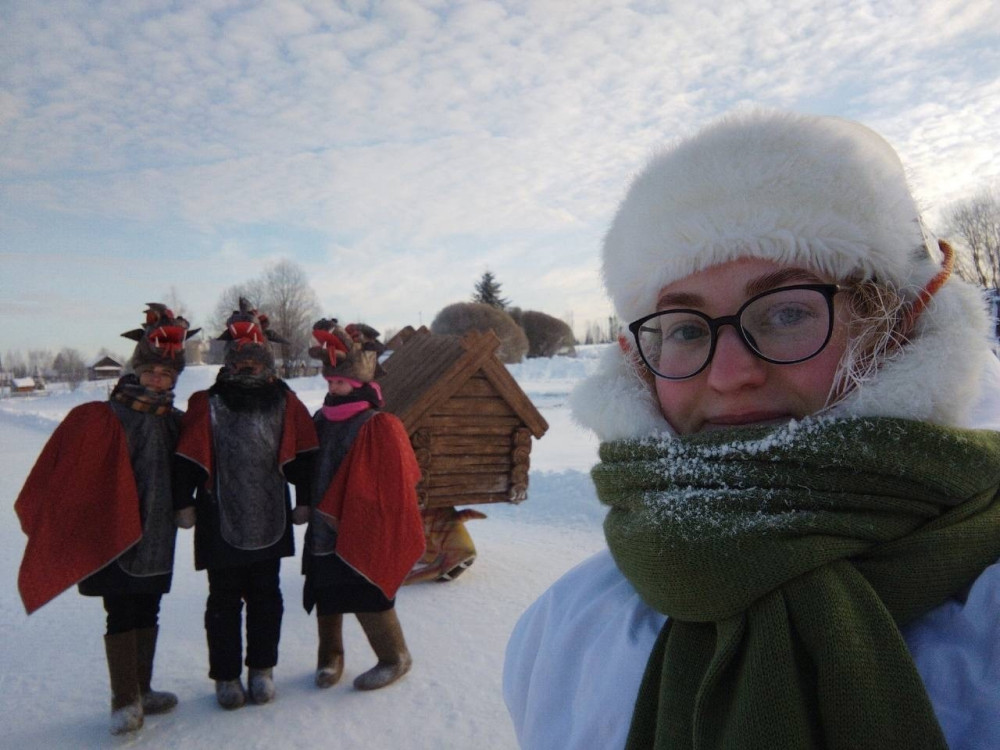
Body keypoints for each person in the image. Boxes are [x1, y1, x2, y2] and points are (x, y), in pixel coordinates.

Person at [503, 111, 1000, 750]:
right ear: (640, 363)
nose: (730, 375)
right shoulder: (563, 631)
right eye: (686, 329)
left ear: (897, 326)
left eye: (787, 312)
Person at [16, 303, 197, 735]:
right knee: (120, 611)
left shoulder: (175, 421)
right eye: (151, 372)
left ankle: (143, 689)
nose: (157, 379)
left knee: (149, 608)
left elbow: (192, 465)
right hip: (114, 529)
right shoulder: (107, 415)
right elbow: (74, 469)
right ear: (137, 371)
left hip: (158, 533)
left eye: (166, 374)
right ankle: (124, 700)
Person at [174, 298, 318, 710]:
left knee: (266, 596)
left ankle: (262, 669)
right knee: (222, 600)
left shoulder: (286, 401)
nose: (247, 367)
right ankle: (225, 676)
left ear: (265, 362)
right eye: (241, 362)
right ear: (230, 363)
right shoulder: (206, 402)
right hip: (219, 514)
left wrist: (306, 498)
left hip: (271, 512)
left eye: (255, 362)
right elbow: (186, 457)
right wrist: (183, 500)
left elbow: (306, 452)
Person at [298, 318, 425, 691]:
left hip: (362, 523)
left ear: (358, 385)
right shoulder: (321, 418)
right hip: (323, 521)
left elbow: (396, 483)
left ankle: (394, 656)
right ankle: (330, 656)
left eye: (341, 383)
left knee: (365, 587)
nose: (334, 388)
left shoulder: (380, 424)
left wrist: (366, 512)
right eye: (330, 382)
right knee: (326, 586)